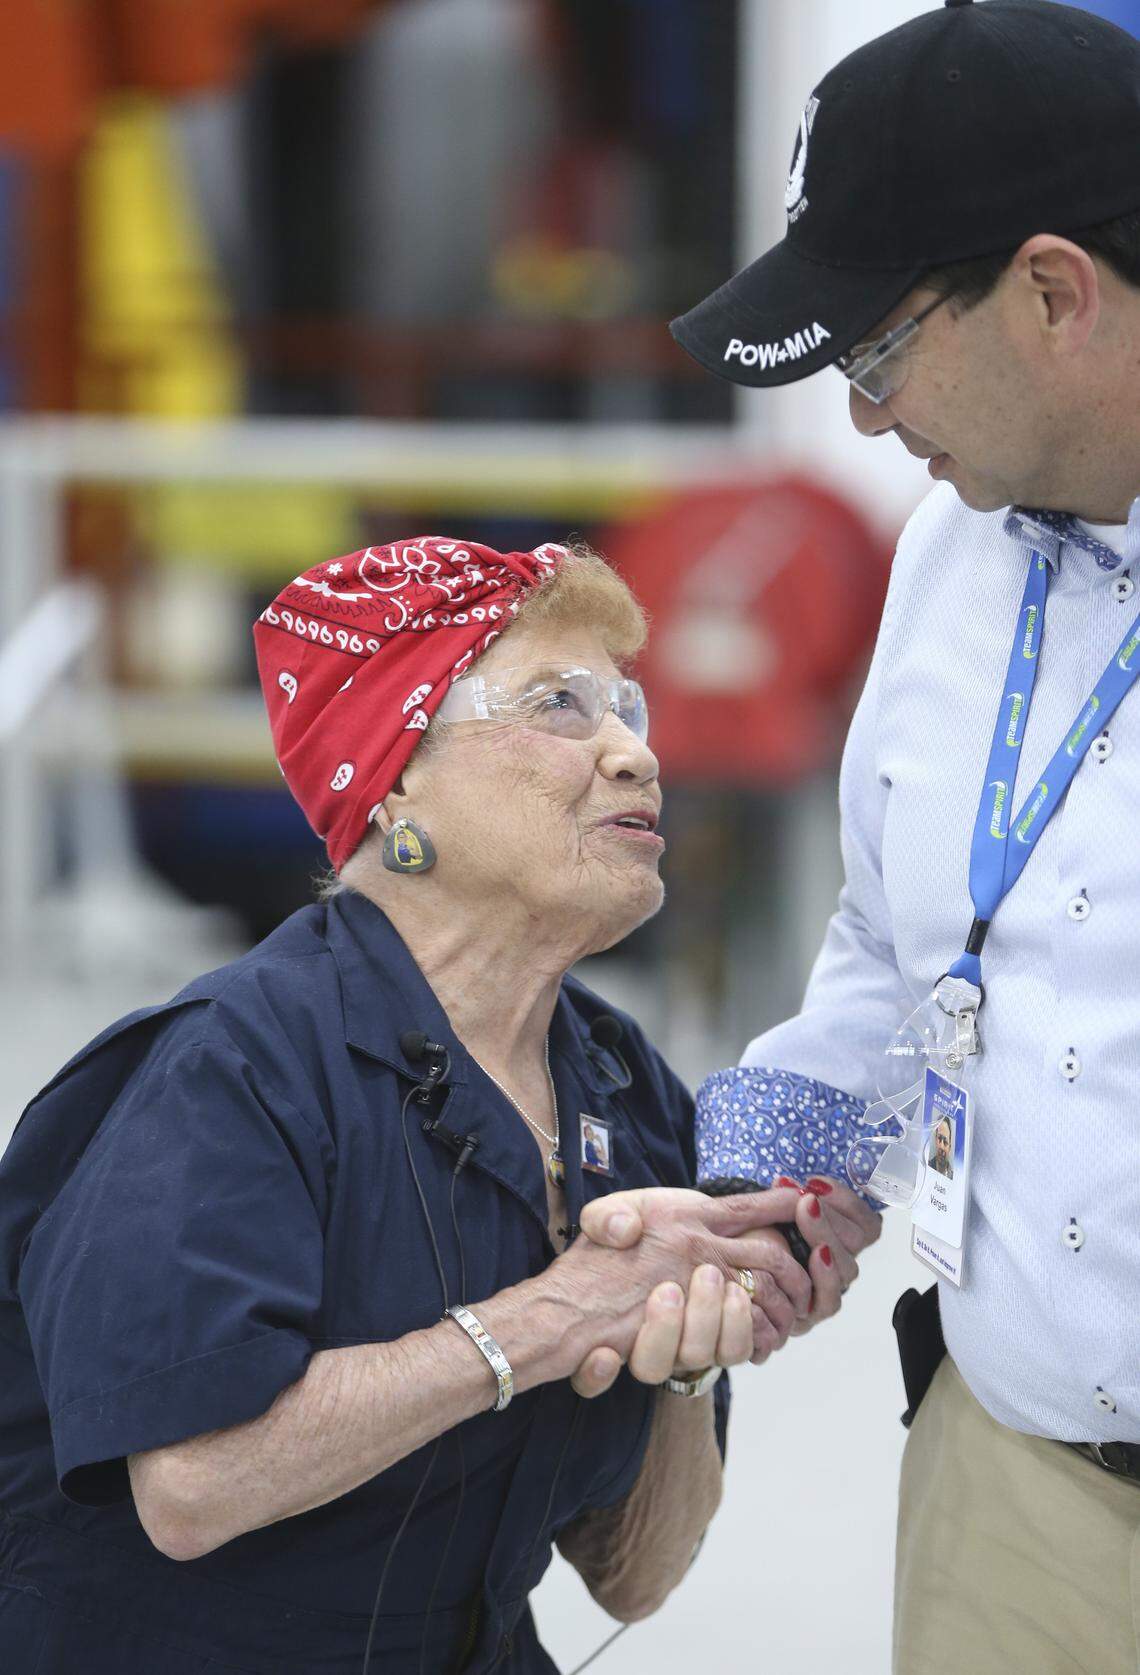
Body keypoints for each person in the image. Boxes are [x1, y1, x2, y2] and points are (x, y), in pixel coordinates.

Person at [0, 534, 860, 1675]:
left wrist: (691, 1347)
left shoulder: (625, 1085)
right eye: (560, 705)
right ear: (398, 771)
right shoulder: (233, 1066)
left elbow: (634, 1578)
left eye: (629, 709)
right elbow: (192, 1484)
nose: (632, 754)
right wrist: (553, 1318)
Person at [594, 3, 1140, 1672]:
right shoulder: (946, 558)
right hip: (1017, 1481)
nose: (861, 419)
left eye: (878, 353)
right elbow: (906, 951)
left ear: (1056, 292)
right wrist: (778, 1180)